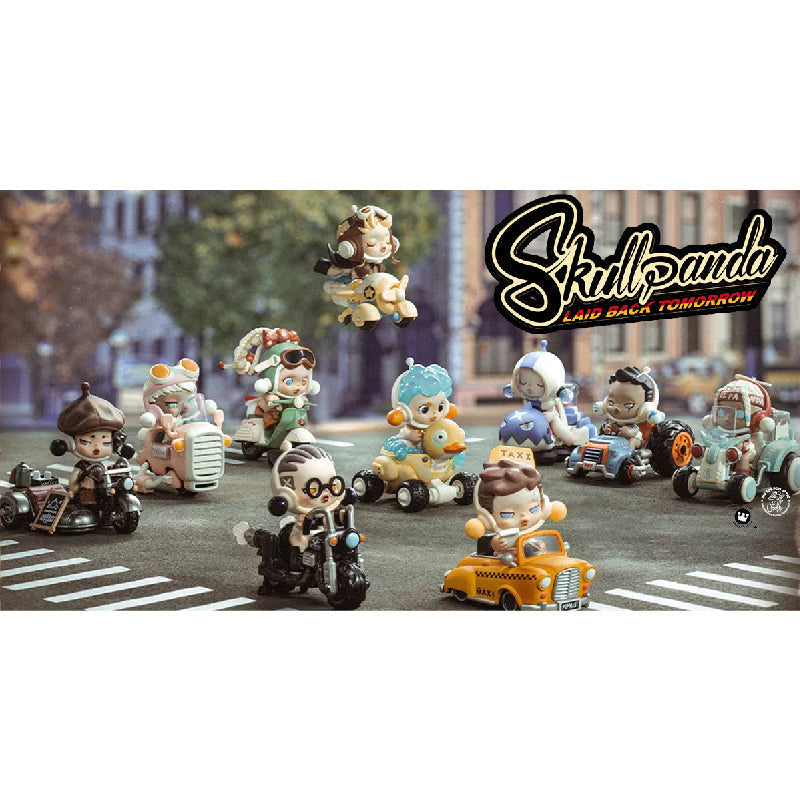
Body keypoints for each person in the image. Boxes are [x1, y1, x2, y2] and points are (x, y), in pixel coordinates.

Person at [464, 458, 566, 565]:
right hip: (508, 564)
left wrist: (540, 544)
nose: (525, 518)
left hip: (532, 561)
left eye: (534, 509)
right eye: (507, 515)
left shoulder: (532, 535)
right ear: (487, 517)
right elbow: (492, 546)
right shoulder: (503, 538)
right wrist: (496, 545)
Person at [53, 382, 133, 507]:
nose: (97, 447)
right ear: (71, 444)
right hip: (88, 499)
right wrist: (75, 489)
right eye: (86, 442)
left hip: (106, 489)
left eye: (106, 443)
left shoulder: (105, 465)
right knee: (88, 483)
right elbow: (73, 484)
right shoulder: (81, 468)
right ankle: (88, 503)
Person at [314, 204, 400, 307]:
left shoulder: (376, 266)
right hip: (350, 294)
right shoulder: (348, 268)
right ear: (351, 247)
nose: (384, 247)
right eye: (371, 244)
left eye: (387, 241)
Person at [593, 365, 665, 450]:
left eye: (628, 405)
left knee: (632, 441)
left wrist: (628, 432)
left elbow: (634, 431)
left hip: (636, 441)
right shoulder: (613, 422)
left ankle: (629, 453)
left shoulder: (634, 425)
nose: (616, 408)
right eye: (611, 402)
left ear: (645, 408)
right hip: (614, 443)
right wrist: (608, 430)